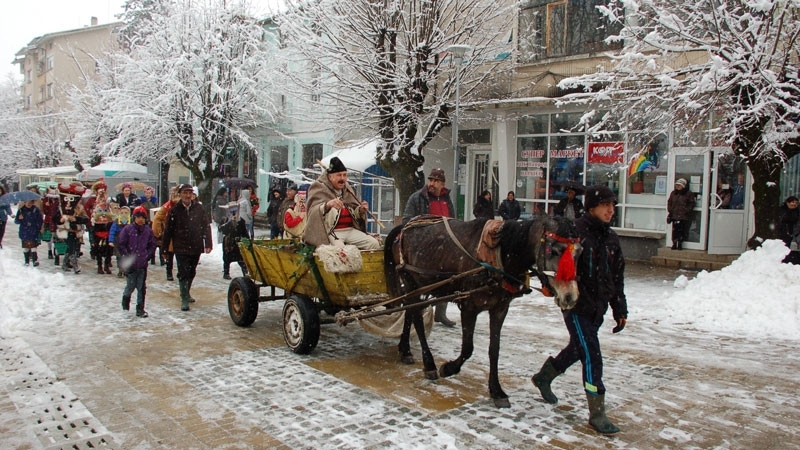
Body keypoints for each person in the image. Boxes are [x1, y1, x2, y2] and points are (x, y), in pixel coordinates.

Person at [530, 184, 628, 435]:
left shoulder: (611, 237)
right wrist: (551, 287)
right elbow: (550, 263)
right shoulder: (574, 233)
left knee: (578, 348)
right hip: (576, 307)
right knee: (591, 354)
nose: (610, 210)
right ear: (592, 206)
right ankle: (597, 413)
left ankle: (544, 377)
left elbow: (617, 277)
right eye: (605, 205)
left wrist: (619, 308)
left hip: (599, 307)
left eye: (612, 206)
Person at [402, 167, 456, 327]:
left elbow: (452, 220)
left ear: (442, 184)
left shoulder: (446, 199)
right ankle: (419, 307)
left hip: (445, 246)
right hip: (424, 247)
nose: (432, 183)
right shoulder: (417, 198)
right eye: (430, 180)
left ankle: (441, 312)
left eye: (436, 181)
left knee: (449, 276)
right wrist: (426, 232)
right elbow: (407, 221)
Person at [305, 157, 380, 250]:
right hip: (332, 231)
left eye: (344, 175)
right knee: (342, 251)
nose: (342, 179)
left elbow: (352, 209)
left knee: (373, 244)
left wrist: (360, 210)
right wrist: (328, 205)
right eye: (339, 175)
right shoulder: (319, 187)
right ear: (330, 177)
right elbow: (313, 211)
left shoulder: (347, 189)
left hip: (350, 230)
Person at [161, 184, 213, 311]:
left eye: (189, 193)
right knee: (183, 271)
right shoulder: (174, 210)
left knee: (192, 271)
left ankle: (187, 291)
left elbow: (206, 226)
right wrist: (164, 248)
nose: (187, 195)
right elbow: (168, 231)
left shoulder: (199, 208)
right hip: (181, 246)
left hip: (195, 245)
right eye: (185, 193)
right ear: (180, 194)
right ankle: (184, 297)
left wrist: (208, 243)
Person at [117, 206, 158, 317]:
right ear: (134, 217)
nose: (140, 219)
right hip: (131, 264)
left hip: (142, 264)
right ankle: (125, 304)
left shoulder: (148, 231)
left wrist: (147, 256)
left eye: (142, 217)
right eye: (138, 217)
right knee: (130, 286)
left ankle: (140, 309)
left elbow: (152, 244)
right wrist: (127, 255)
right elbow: (121, 244)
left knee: (141, 287)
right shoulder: (127, 230)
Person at [54, 190, 90, 274]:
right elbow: (55, 219)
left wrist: (75, 219)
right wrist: (61, 220)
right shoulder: (61, 208)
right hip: (66, 231)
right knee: (71, 248)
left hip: (76, 231)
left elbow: (86, 219)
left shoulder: (79, 208)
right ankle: (75, 266)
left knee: (72, 248)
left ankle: (65, 264)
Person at [153, 187, 180, 281]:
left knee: (182, 256)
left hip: (182, 235)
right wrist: (159, 233)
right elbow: (157, 218)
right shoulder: (167, 206)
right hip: (170, 234)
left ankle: (181, 272)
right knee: (169, 255)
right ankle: (169, 272)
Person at [667, 178, 696, 250]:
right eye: (676, 185)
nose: (677, 186)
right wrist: (670, 210)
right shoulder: (673, 193)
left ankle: (680, 243)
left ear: (683, 186)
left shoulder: (688, 194)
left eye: (679, 185)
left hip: (683, 216)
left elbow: (691, 204)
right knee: (675, 230)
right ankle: (674, 243)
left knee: (682, 230)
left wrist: (686, 210)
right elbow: (669, 202)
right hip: (674, 215)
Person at [219, 214, 248, 280]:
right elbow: (221, 229)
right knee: (227, 259)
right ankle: (226, 273)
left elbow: (244, 232)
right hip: (228, 243)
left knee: (241, 259)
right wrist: (229, 222)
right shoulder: (225, 220)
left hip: (237, 243)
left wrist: (247, 241)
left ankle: (245, 273)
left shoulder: (241, 221)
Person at [92, 194, 116, 274]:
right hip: (98, 231)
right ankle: (99, 266)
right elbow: (93, 220)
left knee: (109, 250)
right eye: (101, 200)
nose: (103, 202)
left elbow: (113, 218)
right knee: (98, 250)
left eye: (104, 200)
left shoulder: (109, 208)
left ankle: (106, 265)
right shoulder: (96, 208)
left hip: (107, 231)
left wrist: (108, 216)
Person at [15, 199, 43, 266]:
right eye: (27, 202)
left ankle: (35, 260)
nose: (28, 204)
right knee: (26, 247)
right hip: (24, 231)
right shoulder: (21, 210)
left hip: (33, 230)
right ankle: (26, 261)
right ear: (24, 202)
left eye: (30, 202)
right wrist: (19, 218)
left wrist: (38, 228)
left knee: (34, 246)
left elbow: (40, 220)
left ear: (33, 203)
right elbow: (16, 221)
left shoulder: (36, 210)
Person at [109, 206, 131, 277]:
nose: (124, 214)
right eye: (122, 213)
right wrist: (111, 241)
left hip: (128, 241)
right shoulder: (116, 222)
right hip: (118, 241)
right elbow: (112, 231)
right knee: (119, 256)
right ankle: (121, 269)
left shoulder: (132, 222)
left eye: (126, 213)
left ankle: (127, 269)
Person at [779, 196, 799, 264]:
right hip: (782, 233)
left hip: (791, 233)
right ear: (787, 202)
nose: (794, 204)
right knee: (783, 248)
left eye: (796, 203)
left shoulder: (797, 212)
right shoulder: (783, 210)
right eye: (792, 202)